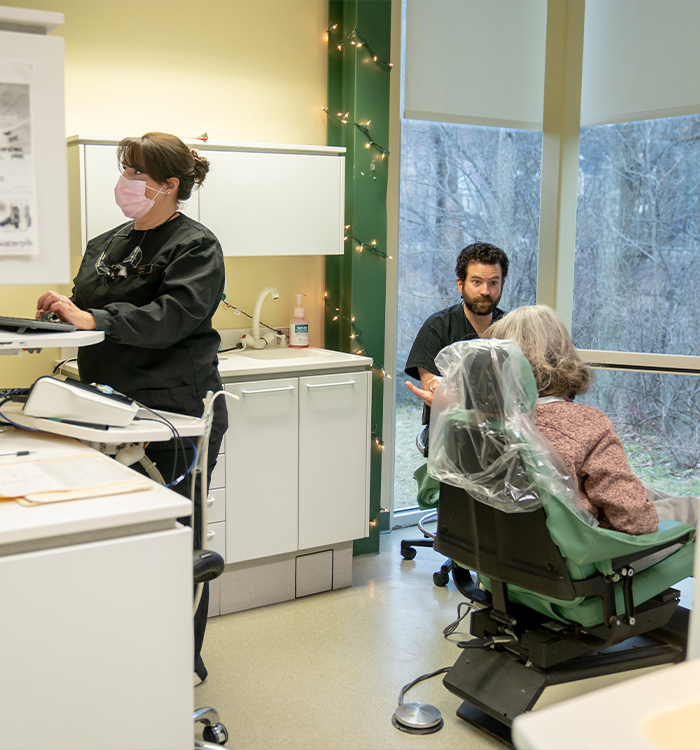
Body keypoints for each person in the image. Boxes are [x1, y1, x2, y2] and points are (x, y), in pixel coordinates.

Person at [36, 131, 227, 685]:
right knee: (116, 535)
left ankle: (179, 663)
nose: (127, 183)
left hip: (174, 413)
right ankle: (122, 658)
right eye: (125, 170)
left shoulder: (195, 245)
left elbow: (174, 316)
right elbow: (89, 312)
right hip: (107, 408)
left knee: (174, 537)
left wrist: (94, 319)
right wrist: (63, 312)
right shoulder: (105, 243)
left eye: (138, 174)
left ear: (170, 186)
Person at [486, 304, 698, 535]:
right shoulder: (587, 424)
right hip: (590, 552)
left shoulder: (484, 421)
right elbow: (637, 522)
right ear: (562, 354)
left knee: (649, 493)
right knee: (693, 507)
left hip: (515, 544)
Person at [404, 241, 509, 453]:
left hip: (502, 436)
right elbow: (434, 391)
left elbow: (521, 393)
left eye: (493, 283)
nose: (486, 291)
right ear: (460, 285)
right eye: (477, 282)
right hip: (450, 437)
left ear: (502, 285)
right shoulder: (438, 327)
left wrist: (455, 395)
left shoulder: (511, 327)